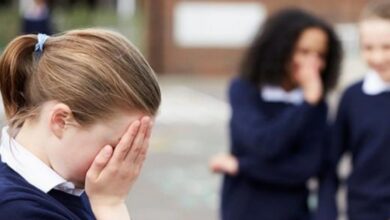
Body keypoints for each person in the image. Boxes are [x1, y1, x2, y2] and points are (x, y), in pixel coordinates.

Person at [0, 29, 161, 219]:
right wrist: (110, 206)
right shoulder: (18, 211)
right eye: (118, 146)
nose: (124, 165)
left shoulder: (67, 182)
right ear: (61, 121)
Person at [209, 8, 342, 220]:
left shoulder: (317, 105)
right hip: (243, 210)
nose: (313, 64)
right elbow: (264, 144)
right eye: (304, 52)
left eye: (321, 55)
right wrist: (306, 103)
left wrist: (240, 166)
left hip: (293, 213)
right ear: (280, 50)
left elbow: (305, 168)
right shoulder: (245, 90)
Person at [316, 1, 390, 219]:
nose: (377, 58)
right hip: (366, 210)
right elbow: (329, 162)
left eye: (387, 47)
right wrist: (326, 211)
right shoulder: (352, 98)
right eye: (368, 47)